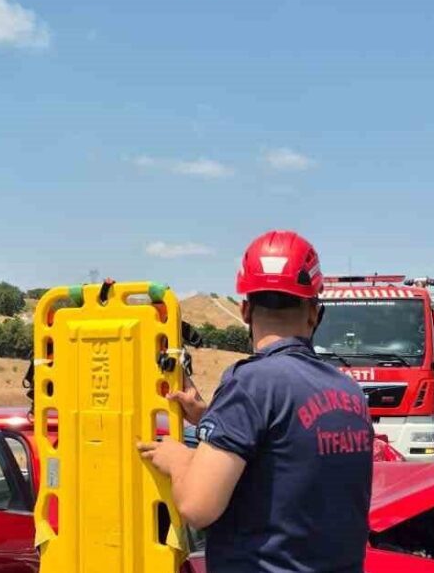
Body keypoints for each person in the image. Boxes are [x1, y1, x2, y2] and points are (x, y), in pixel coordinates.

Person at [138, 230, 374, 573]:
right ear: (314, 312)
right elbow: (289, 453)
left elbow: (197, 506)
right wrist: (211, 416)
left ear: (245, 310)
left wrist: (177, 459)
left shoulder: (249, 383)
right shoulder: (349, 392)